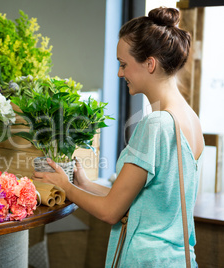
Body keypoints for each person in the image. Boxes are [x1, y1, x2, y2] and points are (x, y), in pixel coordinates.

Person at [33, 7, 204, 267]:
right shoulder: (190, 119)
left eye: (123, 64)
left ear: (150, 63)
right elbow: (144, 203)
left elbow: (110, 212)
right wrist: (85, 184)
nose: (119, 73)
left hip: (144, 259)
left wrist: (65, 186)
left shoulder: (155, 123)